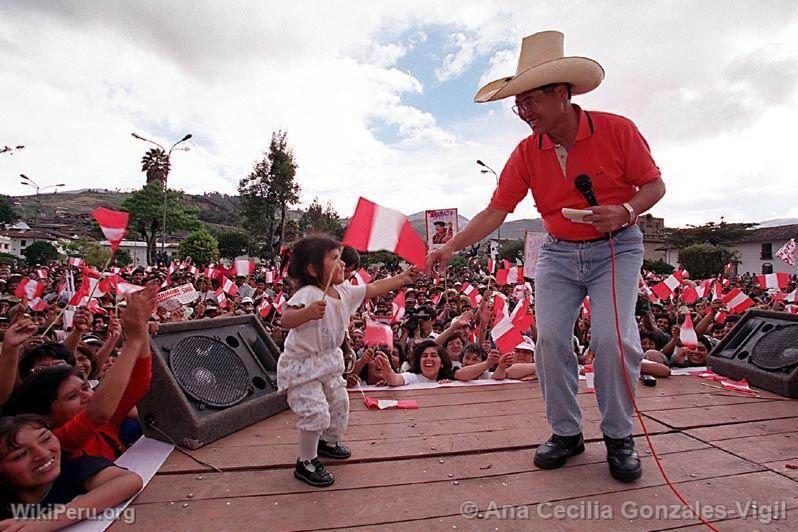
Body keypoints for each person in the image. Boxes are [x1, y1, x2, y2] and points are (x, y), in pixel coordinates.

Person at [427, 31, 666, 483]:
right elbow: (496, 212)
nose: (522, 111)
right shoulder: (524, 152)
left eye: (530, 100)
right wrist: (448, 247)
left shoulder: (618, 129)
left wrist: (626, 210)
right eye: (518, 104)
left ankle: (618, 436)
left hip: (616, 247)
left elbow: (655, 186)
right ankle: (566, 432)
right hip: (557, 254)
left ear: (562, 93)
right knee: (551, 340)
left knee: (613, 340)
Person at [277, 235, 417, 488]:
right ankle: (306, 461)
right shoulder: (308, 294)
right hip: (303, 365)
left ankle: (327, 442)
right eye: (334, 259)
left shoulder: (343, 291)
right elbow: (285, 319)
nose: (342, 264)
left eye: (341, 258)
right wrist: (306, 313)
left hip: (330, 362)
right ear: (312, 269)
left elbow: (373, 288)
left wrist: (403, 278)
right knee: (315, 411)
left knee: (339, 403)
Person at [0, 414, 142, 525]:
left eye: (45, 439)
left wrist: (43, 523)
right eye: (20, 455)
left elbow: (128, 481)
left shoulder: (75, 471)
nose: (43, 454)